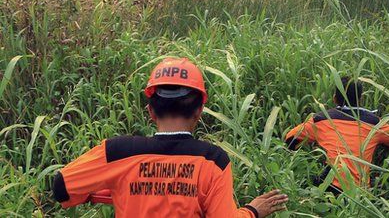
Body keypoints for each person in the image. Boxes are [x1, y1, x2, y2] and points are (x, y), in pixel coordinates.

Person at [52, 57, 288, 217]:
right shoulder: (213, 161)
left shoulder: (116, 152)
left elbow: (61, 187)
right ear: (199, 112)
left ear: (151, 111)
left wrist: (121, 191)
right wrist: (253, 210)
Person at [284, 77, 389, 193]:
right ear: (361, 99)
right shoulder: (375, 124)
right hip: (359, 193)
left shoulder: (321, 119)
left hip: (328, 188)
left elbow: (290, 139)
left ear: (334, 98)